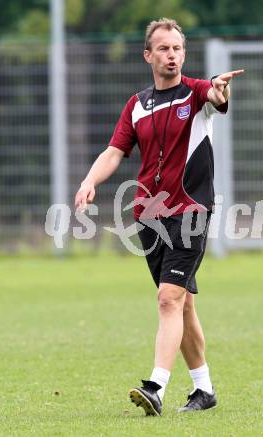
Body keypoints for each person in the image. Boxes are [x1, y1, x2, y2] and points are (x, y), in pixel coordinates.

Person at [74, 17, 244, 416]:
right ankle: (204, 391)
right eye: (164, 48)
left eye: (178, 48)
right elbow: (115, 151)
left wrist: (220, 90)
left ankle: (156, 387)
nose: (173, 55)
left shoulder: (197, 93)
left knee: (168, 298)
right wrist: (89, 180)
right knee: (180, 304)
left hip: (190, 211)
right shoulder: (137, 105)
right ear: (148, 55)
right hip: (148, 218)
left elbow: (216, 97)